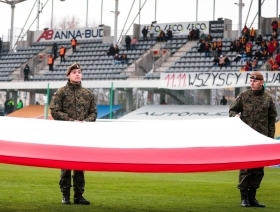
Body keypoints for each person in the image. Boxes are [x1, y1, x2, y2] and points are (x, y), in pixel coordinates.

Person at [50, 62, 97, 205]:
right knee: (66, 166)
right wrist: (71, 121)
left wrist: (85, 122)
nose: (77, 74)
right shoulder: (61, 92)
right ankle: (65, 195)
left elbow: (93, 113)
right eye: (74, 72)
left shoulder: (88, 94)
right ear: (68, 75)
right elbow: (54, 111)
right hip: (66, 134)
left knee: (80, 166)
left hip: (81, 135)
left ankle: (79, 195)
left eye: (79, 72)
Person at [229, 71, 277, 208]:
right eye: (251, 81)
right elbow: (232, 110)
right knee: (245, 168)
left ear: (261, 82)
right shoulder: (244, 96)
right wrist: (235, 116)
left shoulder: (268, 99)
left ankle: (252, 198)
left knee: (258, 169)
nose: (252, 83)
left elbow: (271, 119)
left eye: (255, 81)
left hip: (261, 138)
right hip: (246, 138)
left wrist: (270, 139)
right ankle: (244, 198)